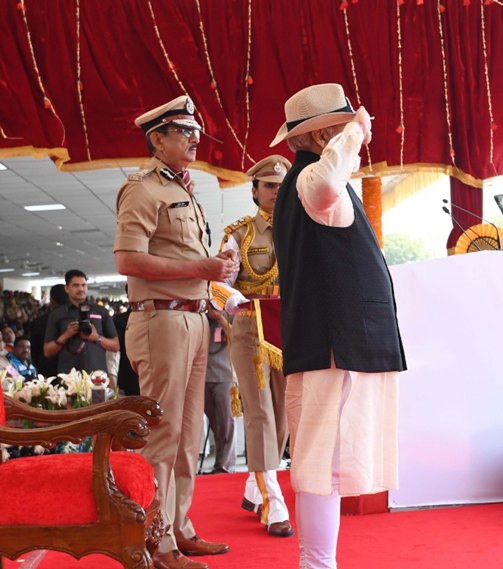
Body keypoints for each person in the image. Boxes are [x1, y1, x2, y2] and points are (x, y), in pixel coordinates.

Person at [270, 83, 406, 569]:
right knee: (321, 465)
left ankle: (317, 562)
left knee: (320, 464)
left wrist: (345, 137)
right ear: (321, 135)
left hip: (332, 341)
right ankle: (317, 563)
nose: (359, 136)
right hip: (335, 343)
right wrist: (350, 136)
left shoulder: (308, 177)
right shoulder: (314, 176)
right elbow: (328, 185)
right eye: (343, 126)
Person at [114, 95, 238, 569]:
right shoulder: (142, 189)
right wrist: (201, 267)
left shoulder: (184, 189)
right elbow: (128, 260)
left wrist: (214, 272)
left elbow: (184, 259)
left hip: (193, 317)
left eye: (195, 132)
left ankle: (179, 527)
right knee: (163, 435)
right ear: (157, 139)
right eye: (183, 132)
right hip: (161, 320)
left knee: (189, 434)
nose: (193, 140)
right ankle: (156, 542)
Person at [210, 155, 294, 537]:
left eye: (282, 186)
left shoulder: (303, 229)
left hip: (291, 329)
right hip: (250, 327)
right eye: (269, 186)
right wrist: (234, 301)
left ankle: (255, 482)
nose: (276, 192)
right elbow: (215, 283)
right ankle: (273, 499)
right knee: (260, 412)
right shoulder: (240, 234)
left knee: (284, 413)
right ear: (255, 192)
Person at [43, 270, 119, 375]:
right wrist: (66, 335)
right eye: (76, 285)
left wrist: (97, 338)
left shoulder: (100, 311)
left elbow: (116, 346)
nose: (81, 289)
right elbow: (47, 351)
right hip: (69, 376)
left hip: (97, 375)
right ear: (66, 288)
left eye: (83, 285)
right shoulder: (57, 314)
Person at [202, 310, 236, 475]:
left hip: (225, 375)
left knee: (226, 422)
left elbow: (237, 337)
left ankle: (225, 466)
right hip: (203, 376)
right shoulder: (201, 316)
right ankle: (220, 462)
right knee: (216, 424)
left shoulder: (230, 313)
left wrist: (219, 318)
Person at [29, 283, 69, 379]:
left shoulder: (39, 322)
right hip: (71, 370)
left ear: (52, 300)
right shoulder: (76, 320)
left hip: (47, 369)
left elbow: (34, 351)